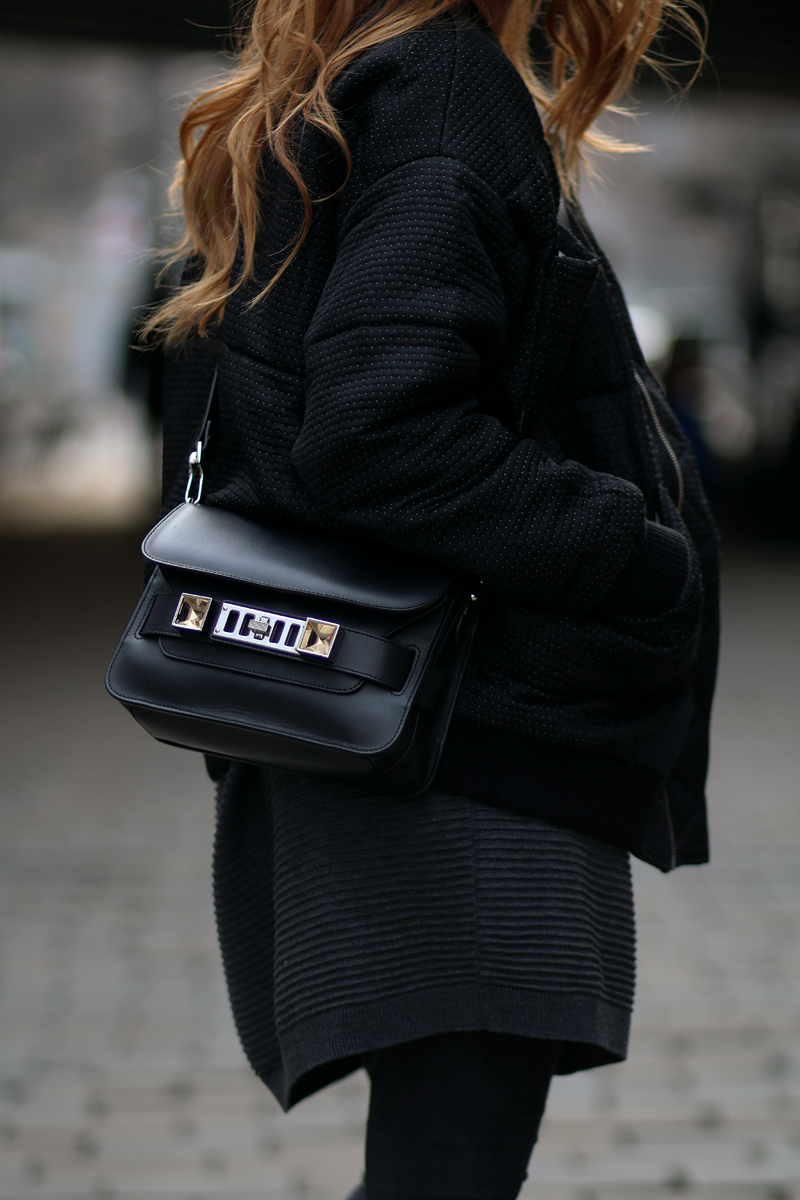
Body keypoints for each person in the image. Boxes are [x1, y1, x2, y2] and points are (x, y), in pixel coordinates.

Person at [144, 0, 718, 1193]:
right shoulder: (444, 87)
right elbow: (381, 432)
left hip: (379, 725)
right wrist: (632, 552)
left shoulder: (348, 90)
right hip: (463, 739)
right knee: (446, 1169)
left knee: (436, 1165)